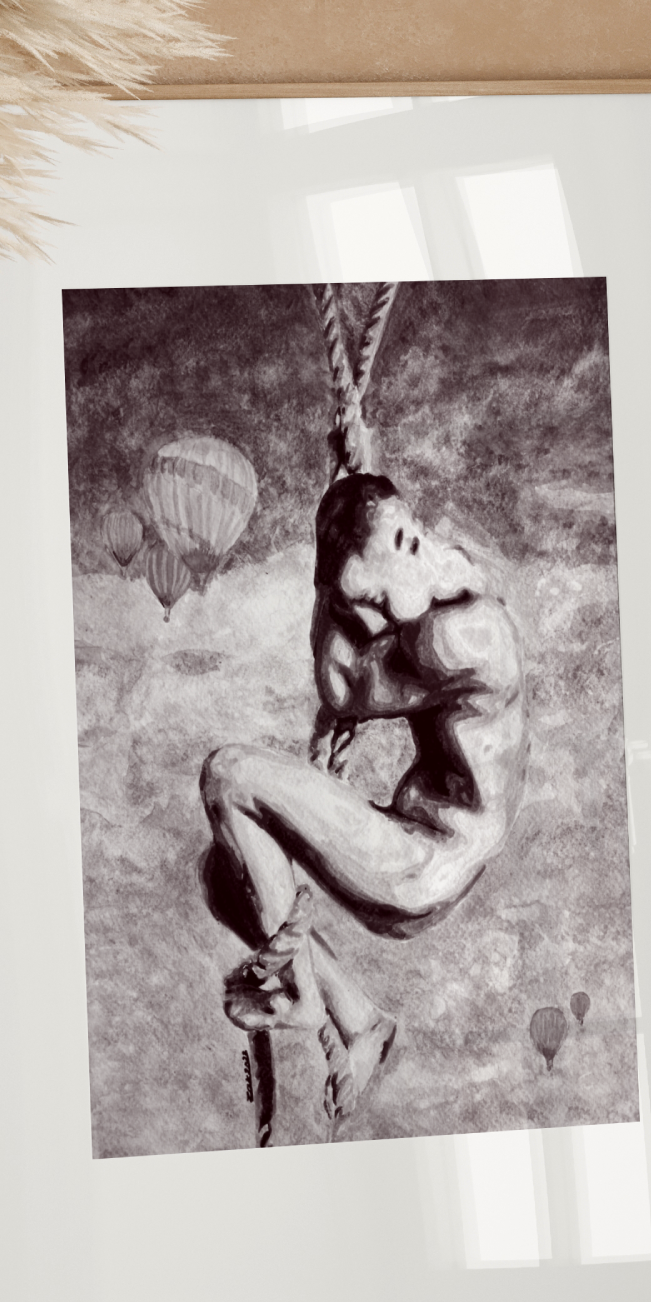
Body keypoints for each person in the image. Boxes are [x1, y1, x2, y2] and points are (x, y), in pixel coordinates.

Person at [200, 472, 528, 1123]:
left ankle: (296, 991)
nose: (367, 620)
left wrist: (330, 595)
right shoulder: (440, 578)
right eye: (356, 605)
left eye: (371, 598)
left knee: (227, 775)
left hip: (423, 863)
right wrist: (348, 580)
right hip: (414, 845)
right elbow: (351, 666)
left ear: (408, 539)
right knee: (223, 873)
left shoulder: (459, 635)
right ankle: (359, 1020)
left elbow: (340, 688)